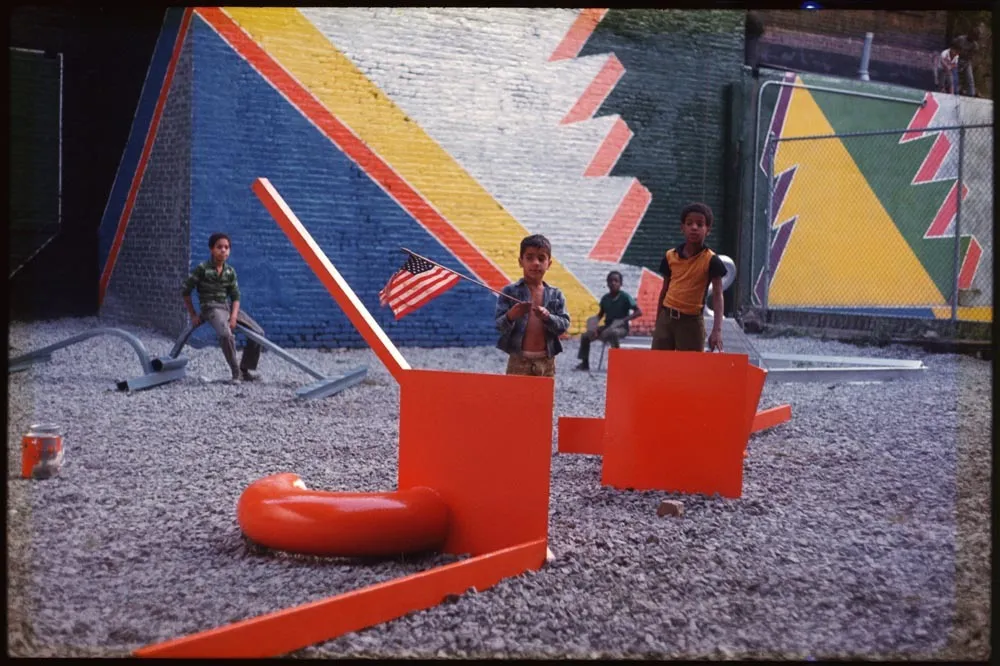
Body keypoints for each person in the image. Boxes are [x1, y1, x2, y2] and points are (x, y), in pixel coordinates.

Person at [182, 232, 265, 383]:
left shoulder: (230, 271)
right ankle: (236, 373)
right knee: (226, 335)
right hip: (211, 308)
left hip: (227, 308)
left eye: (226, 247)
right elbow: (186, 291)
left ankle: (245, 369)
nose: (223, 250)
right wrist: (193, 315)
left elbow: (235, 296)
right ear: (211, 249)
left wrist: (233, 316)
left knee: (258, 332)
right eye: (219, 247)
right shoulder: (203, 269)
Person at [651, 202, 727, 353]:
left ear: (708, 230)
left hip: (691, 322)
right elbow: (664, 290)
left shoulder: (711, 260)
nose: (694, 228)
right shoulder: (670, 256)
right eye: (689, 223)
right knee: (659, 367)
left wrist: (717, 331)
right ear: (682, 228)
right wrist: (658, 321)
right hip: (666, 318)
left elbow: (718, 295)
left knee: (691, 370)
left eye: (700, 224)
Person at [494, 234, 571, 377]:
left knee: (543, 398)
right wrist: (511, 315)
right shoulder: (510, 291)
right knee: (517, 398)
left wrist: (548, 317)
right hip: (518, 359)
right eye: (529, 257)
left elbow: (564, 325)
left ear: (549, 264)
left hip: (546, 360)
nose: (536, 263)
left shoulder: (556, 294)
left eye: (541, 258)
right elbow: (499, 326)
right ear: (520, 262)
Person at [575, 271, 643, 371]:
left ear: (621, 283)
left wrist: (623, 320)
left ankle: (617, 363)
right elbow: (600, 315)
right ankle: (585, 363)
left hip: (621, 328)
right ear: (607, 283)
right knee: (585, 336)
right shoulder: (605, 298)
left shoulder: (625, 297)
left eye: (616, 281)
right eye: (611, 281)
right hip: (607, 327)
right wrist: (594, 327)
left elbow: (638, 312)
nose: (613, 283)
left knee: (613, 332)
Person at [950, 28, 980, 97]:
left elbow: (971, 56)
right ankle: (953, 92)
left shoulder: (974, 45)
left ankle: (971, 94)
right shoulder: (960, 39)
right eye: (972, 35)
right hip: (956, 59)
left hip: (966, 62)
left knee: (970, 78)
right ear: (969, 34)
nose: (973, 38)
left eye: (975, 37)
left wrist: (965, 64)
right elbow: (952, 46)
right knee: (954, 77)